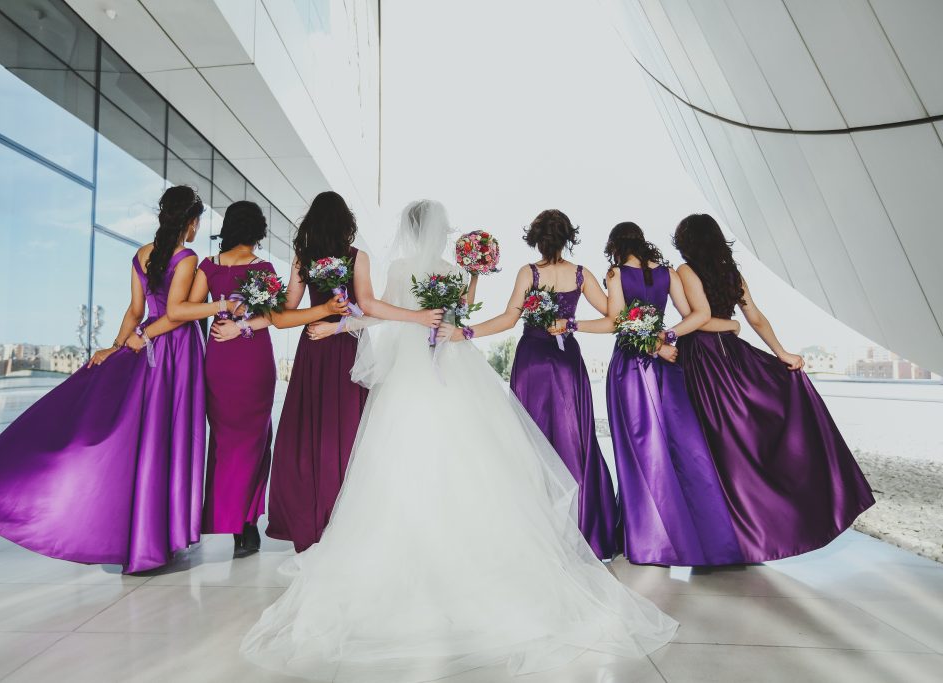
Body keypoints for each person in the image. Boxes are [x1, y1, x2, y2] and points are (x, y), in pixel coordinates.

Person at [240, 200, 677, 683]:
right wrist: (458, 301)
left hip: (411, 372)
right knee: (469, 456)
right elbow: (455, 315)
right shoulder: (450, 269)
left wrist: (343, 324)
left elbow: (377, 313)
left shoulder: (402, 267)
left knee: (400, 458)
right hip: (449, 364)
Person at [0, 185, 208, 573]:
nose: (195, 229)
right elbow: (174, 314)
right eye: (196, 222)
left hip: (145, 348)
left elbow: (134, 309)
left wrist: (117, 347)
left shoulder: (141, 255)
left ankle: (146, 536)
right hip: (171, 350)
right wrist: (135, 340)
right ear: (190, 221)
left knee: (145, 438)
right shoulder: (187, 257)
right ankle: (160, 536)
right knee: (168, 437)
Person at [672, 213, 875, 562]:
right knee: (739, 443)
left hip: (703, 361)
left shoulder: (685, 271)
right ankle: (747, 531)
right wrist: (779, 352)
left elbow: (698, 319)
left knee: (714, 444)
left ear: (687, 241)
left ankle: (728, 535)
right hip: (733, 357)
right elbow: (755, 318)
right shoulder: (731, 273)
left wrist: (681, 333)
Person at [167, 200, 349, 559]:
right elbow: (273, 317)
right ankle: (247, 526)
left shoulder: (208, 266)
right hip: (252, 358)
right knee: (253, 440)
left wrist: (221, 311)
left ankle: (230, 520)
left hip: (220, 357)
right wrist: (235, 316)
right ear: (257, 232)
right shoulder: (262, 268)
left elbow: (184, 310)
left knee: (224, 440)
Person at [272, 191, 446, 552]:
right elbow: (368, 305)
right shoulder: (356, 257)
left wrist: (318, 315)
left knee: (309, 433)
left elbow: (284, 315)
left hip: (314, 345)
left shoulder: (302, 258)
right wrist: (416, 317)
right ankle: (343, 521)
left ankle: (311, 521)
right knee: (346, 434)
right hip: (346, 348)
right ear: (345, 223)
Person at [444, 209, 621, 559]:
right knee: (575, 439)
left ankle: (536, 532)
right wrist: (572, 324)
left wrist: (465, 333)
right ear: (569, 237)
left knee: (529, 440)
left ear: (536, 239)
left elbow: (510, 319)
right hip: (567, 362)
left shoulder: (530, 272)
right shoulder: (581, 274)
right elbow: (614, 319)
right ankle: (583, 530)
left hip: (532, 363)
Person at [566, 222, 744, 566]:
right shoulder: (668, 273)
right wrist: (668, 338)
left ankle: (649, 542)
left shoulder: (616, 273)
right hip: (668, 369)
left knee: (637, 452)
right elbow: (700, 314)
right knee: (684, 448)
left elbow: (617, 322)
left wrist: (575, 325)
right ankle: (712, 540)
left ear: (616, 245)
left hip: (630, 369)